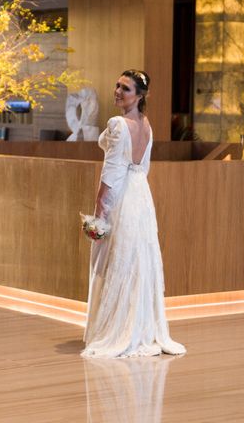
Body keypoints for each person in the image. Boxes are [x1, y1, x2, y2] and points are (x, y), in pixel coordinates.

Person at [82, 70, 186, 359]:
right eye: (117, 85)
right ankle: (139, 327)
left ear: (139, 96)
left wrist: (100, 209)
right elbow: (142, 166)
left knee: (114, 261)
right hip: (141, 197)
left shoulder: (118, 124)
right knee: (137, 261)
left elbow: (111, 172)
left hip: (123, 198)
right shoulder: (147, 125)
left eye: (125, 88)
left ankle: (114, 329)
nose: (117, 91)